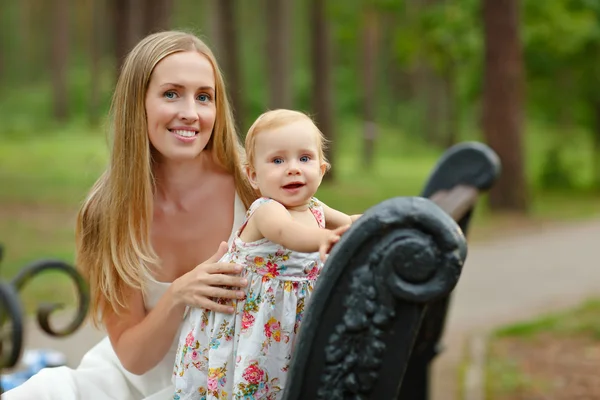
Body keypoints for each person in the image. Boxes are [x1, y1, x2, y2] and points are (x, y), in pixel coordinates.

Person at [4, 30, 258, 400]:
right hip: (132, 386)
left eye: (204, 97)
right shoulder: (108, 212)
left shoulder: (252, 186)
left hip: (233, 381)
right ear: (138, 103)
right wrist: (177, 296)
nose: (190, 113)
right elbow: (133, 358)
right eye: (171, 93)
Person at [172, 109, 360, 400]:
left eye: (305, 158)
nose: (293, 168)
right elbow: (287, 234)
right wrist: (327, 238)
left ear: (322, 170)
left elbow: (350, 221)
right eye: (277, 160)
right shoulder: (266, 210)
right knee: (257, 384)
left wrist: (377, 221)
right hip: (250, 323)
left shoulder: (316, 208)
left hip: (287, 317)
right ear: (254, 176)